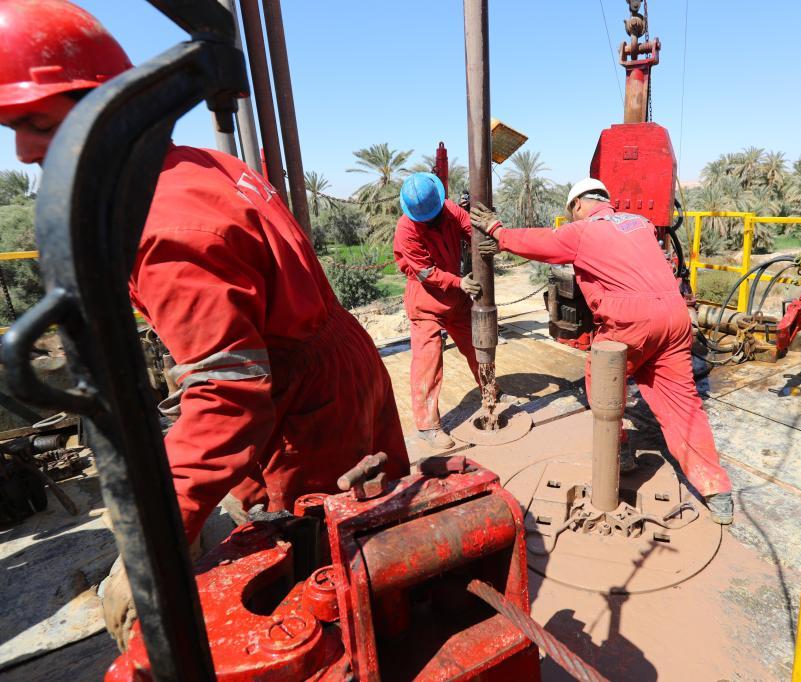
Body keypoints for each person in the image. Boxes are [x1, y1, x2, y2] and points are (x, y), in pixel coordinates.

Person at [0, 0, 411, 643]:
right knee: (375, 522)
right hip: (339, 363)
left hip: (305, 403)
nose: (26, 153)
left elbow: (230, 396)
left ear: (106, 110)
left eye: (38, 123)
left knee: (325, 576)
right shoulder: (200, 165)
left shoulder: (161, 228)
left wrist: (155, 534)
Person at [470, 179, 734, 524]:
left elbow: (544, 242)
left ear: (579, 204)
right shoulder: (640, 224)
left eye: (572, 211)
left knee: (602, 384)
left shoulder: (584, 231)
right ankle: (717, 490)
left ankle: (619, 451)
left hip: (632, 322)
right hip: (676, 316)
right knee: (683, 404)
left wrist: (496, 231)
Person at [393, 172, 493, 449]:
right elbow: (425, 273)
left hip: (456, 299)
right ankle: (427, 425)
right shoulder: (406, 231)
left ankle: (491, 394)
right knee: (428, 362)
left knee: (477, 346)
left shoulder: (448, 209)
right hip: (426, 302)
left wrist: (486, 234)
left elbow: (468, 228)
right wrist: (460, 282)